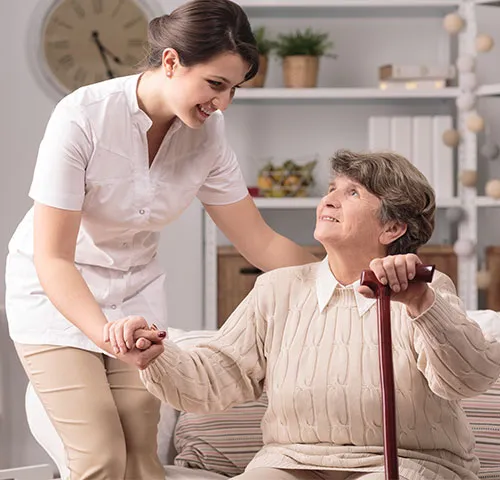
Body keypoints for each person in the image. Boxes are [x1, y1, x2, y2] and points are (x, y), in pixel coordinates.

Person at [4, 0, 317, 478]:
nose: (223, 103)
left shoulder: (208, 135)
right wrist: (105, 334)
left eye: (234, 89)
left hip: (135, 295)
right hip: (56, 295)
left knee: (143, 461)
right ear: (171, 62)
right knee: (102, 456)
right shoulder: (83, 116)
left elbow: (260, 243)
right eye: (216, 84)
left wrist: (348, 276)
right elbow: (53, 257)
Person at [106, 150, 500, 480]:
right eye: (331, 190)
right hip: (291, 459)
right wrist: (158, 355)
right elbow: (217, 375)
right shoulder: (277, 289)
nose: (329, 200)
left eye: (352, 193)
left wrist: (419, 303)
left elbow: (468, 379)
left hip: (412, 461)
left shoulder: (426, 289)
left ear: (392, 227)